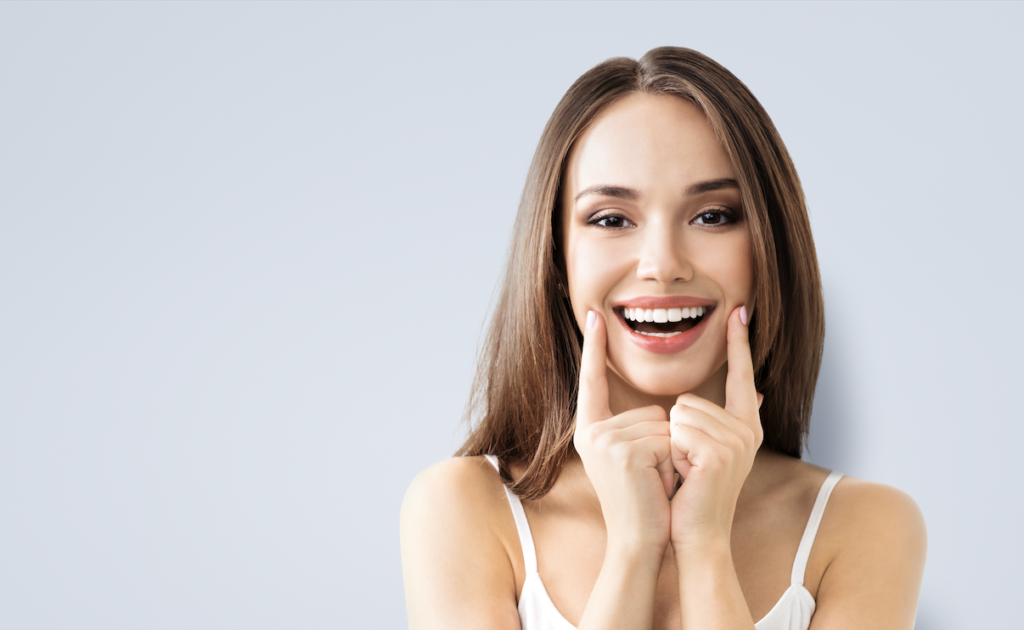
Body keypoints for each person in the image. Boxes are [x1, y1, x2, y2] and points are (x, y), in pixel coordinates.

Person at [400, 47, 926, 630]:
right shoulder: (463, 510)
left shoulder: (865, 525)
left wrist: (704, 545)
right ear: (556, 259)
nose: (663, 264)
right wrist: (632, 546)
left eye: (713, 216)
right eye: (610, 219)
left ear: (768, 249)